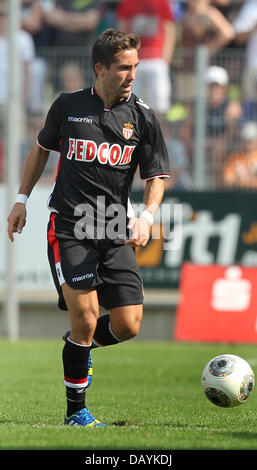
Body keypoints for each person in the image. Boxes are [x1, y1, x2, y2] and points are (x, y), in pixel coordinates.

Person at [7, 29, 170, 427]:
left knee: (128, 324)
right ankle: (75, 411)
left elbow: (157, 177)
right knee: (85, 316)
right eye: (123, 68)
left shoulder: (143, 117)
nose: (132, 74)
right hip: (69, 226)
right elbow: (41, 151)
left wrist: (147, 217)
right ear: (100, 69)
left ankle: (77, 349)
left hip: (114, 228)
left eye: (135, 66)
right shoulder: (68, 106)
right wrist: (21, 199)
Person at [117, 0, 175, 116]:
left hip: (156, 60)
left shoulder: (162, 2)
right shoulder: (128, 3)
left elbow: (169, 29)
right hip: (133, 60)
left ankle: (157, 131)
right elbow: (122, 29)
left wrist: (166, 57)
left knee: (159, 103)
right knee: (130, 102)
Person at [223, 121, 257, 189]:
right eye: (245, 140)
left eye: (251, 140)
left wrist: (245, 182)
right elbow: (228, 181)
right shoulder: (234, 158)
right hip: (238, 195)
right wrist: (246, 183)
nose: (247, 143)